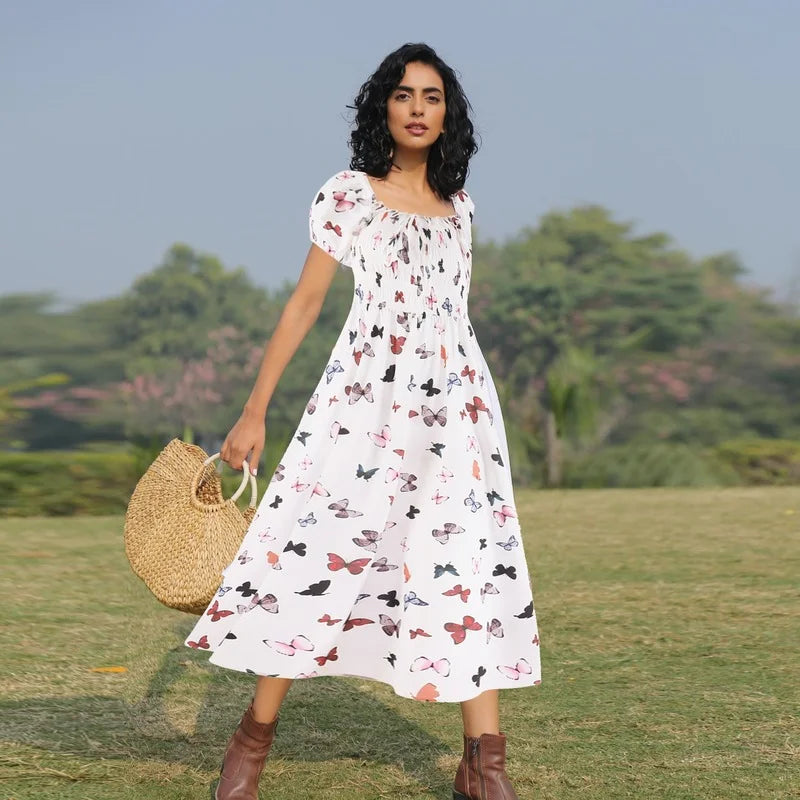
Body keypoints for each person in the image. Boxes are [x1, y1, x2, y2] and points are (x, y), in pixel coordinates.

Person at [185, 42, 542, 800]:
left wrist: (468, 407)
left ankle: (486, 765)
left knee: (466, 561)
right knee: (318, 554)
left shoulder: (460, 208)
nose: (419, 108)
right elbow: (305, 305)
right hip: (365, 408)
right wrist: (255, 412)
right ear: (383, 106)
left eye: (434, 97)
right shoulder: (349, 195)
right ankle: (250, 745)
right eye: (405, 94)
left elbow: (453, 318)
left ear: (450, 115)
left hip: (454, 411)